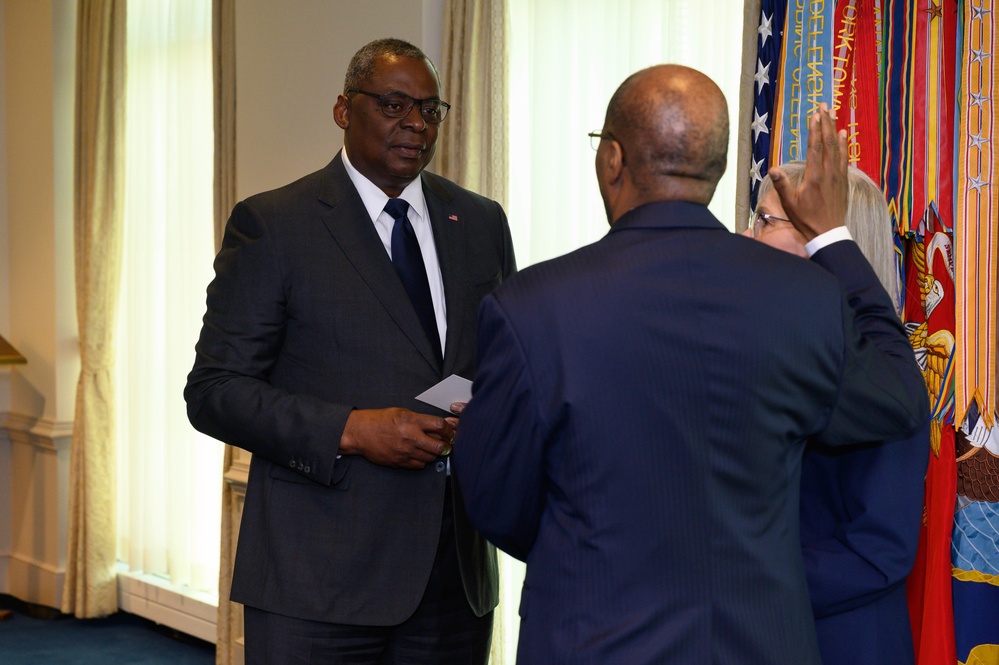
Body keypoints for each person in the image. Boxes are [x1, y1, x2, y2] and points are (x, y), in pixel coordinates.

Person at [450, 64, 929, 664]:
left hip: (592, 637)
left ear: (613, 161)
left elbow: (495, 500)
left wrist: (587, 548)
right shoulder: (807, 301)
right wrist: (833, 240)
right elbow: (897, 398)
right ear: (717, 168)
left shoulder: (529, 308)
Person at [185, 38, 515, 664]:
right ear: (343, 110)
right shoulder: (274, 224)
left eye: (430, 109)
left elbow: (500, 363)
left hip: (454, 576)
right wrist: (353, 430)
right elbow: (213, 392)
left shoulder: (480, 222)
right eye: (394, 105)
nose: (415, 124)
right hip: (319, 582)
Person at [750, 163, 928, 665]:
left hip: (842, 642)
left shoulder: (880, 376)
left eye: (765, 219)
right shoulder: (766, 341)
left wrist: (737, 571)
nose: (746, 234)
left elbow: (878, 553)